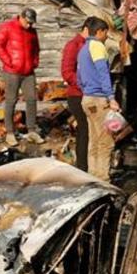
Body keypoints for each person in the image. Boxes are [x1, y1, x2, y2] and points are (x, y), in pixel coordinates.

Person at [0, 8, 42, 146]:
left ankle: (31, 130)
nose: (29, 25)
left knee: (32, 99)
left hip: (28, 72)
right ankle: (10, 133)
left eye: (31, 22)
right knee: (11, 100)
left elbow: (36, 49)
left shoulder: (32, 31)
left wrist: (35, 62)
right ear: (21, 17)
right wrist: (9, 61)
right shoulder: (7, 27)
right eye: (27, 22)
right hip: (12, 72)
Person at [77, 19, 118, 181]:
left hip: (87, 98)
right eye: (106, 32)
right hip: (99, 99)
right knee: (106, 140)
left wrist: (87, 90)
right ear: (100, 31)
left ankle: (92, 175)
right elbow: (103, 74)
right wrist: (111, 98)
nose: (107, 36)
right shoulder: (98, 47)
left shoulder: (83, 49)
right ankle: (103, 178)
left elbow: (79, 77)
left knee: (93, 139)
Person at [61, 18, 102, 172]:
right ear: (86, 29)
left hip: (91, 93)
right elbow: (66, 72)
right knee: (84, 130)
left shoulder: (92, 46)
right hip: (78, 94)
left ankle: (91, 165)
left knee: (92, 130)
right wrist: (84, 85)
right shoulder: (74, 45)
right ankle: (82, 167)